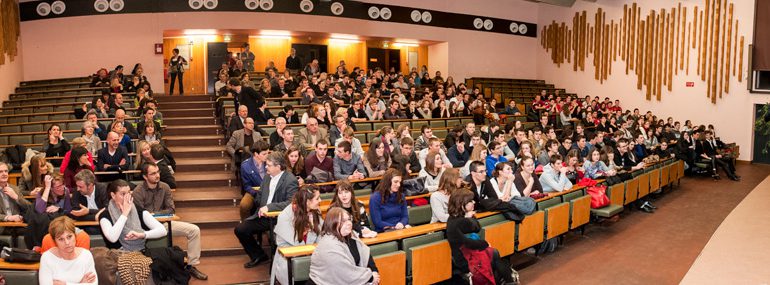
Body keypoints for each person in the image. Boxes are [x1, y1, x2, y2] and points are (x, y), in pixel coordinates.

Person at [132, 162, 208, 280]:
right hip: (147, 228)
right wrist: (155, 215)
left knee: (194, 230)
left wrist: (152, 214)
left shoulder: (165, 187)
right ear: (145, 177)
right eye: (153, 173)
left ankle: (190, 266)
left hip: (165, 223)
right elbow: (140, 215)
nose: (157, 175)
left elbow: (171, 210)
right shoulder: (138, 191)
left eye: (158, 172)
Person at [235, 152, 299, 268]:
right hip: (263, 215)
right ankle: (259, 255)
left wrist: (269, 207)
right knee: (240, 229)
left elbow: (291, 203)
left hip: (279, 217)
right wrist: (260, 205)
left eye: (269, 165)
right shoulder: (267, 177)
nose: (265, 167)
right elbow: (260, 194)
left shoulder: (290, 180)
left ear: (278, 167)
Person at [446, 189, 517, 285]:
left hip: (468, 254)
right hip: (465, 260)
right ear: (462, 204)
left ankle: (507, 281)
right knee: (494, 254)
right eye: (470, 201)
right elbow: (471, 239)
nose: (474, 202)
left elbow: (476, 228)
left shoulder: (455, 218)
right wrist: (485, 243)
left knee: (494, 255)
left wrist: (470, 217)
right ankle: (509, 281)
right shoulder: (459, 222)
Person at [308, 207, 380, 285]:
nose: (349, 223)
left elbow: (365, 254)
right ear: (333, 223)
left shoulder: (352, 236)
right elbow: (346, 273)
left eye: (349, 219)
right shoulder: (328, 245)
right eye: (343, 221)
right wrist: (370, 277)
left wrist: (374, 271)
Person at [271, 185, 323, 285]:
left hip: (312, 256)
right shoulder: (286, 216)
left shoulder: (315, 212)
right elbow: (291, 244)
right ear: (307, 201)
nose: (320, 200)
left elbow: (321, 236)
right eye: (317, 198)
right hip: (290, 260)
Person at [98, 179, 167, 251]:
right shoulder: (105, 215)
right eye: (123, 194)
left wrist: (142, 235)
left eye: (128, 193)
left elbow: (162, 231)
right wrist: (125, 213)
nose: (127, 197)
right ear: (113, 195)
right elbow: (112, 238)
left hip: (140, 252)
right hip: (116, 256)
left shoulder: (138, 210)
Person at [38, 216, 98, 285]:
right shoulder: (47, 257)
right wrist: (81, 283)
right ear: (55, 242)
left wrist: (64, 284)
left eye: (69, 237)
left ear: (75, 236)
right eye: (61, 239)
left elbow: (94, 283)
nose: (67, 242)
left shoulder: (86, 255)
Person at [240, 141, 270, 220]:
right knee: (244, 205)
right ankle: (246, 224)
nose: (267, 156)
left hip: (270, 189)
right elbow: (247, 186)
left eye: (268, 153)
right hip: (254, 191)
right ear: (256, 154)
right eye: (264, 154)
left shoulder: (271, 162)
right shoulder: (245, 166)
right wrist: (256, 193)